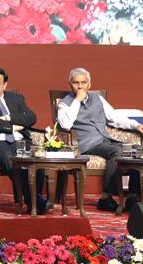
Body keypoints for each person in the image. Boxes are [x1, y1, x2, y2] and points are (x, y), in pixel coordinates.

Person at [57, 67, 143, 212]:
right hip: (86, 144)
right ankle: (105, 197)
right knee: (117, 152)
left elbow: (114, 118)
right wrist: (77, 101)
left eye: (83, 82)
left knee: (136, 152)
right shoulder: (65, 103)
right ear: (70, 85)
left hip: (104, 140)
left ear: (89, 84)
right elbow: (65, 124)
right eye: (76, 83)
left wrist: (136, 125)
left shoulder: (98, 99)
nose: (80, 86)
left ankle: (132, 197)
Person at [0, 67, 52, 214]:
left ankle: (35, 199)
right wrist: (13, 127)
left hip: (20, 140)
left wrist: (7, 118)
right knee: (11, 160)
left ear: (5, 85)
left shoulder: (16, 98)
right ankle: (34, 201)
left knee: (37, 161)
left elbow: (31, 117)